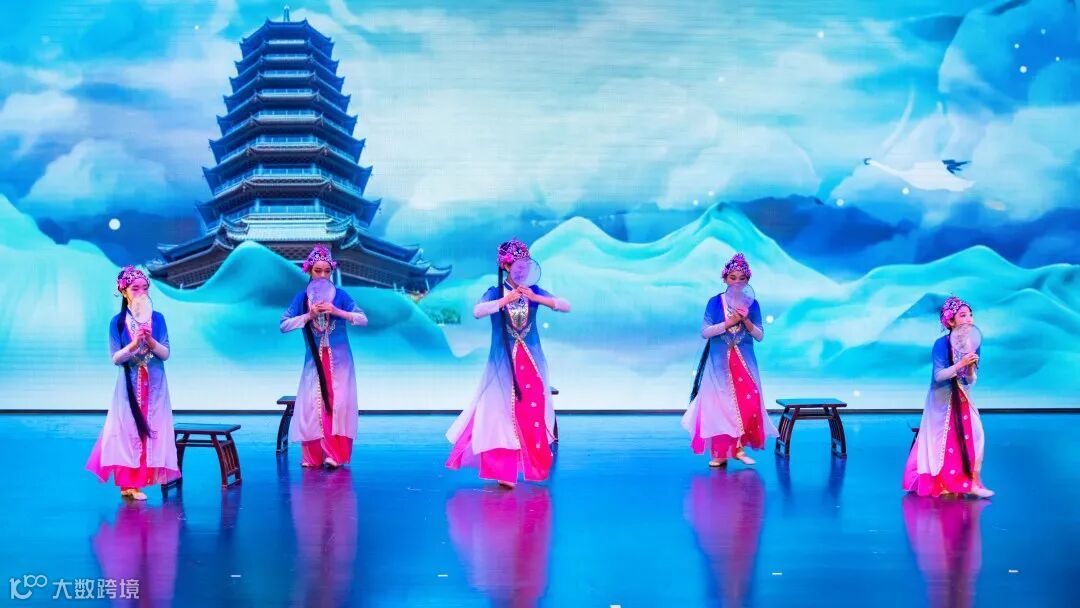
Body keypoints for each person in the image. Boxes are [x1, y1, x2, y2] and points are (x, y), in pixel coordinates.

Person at [446, 239, 570, 488]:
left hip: (531, 362)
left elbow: (565, 306)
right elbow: (478, 311)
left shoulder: (534, 291)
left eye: (526, 266)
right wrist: (506, 299)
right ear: (506, 267)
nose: (523, 270)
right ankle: (504, 470)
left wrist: (536, 297)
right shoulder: (496, 292)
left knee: (532, 410)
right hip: (503, 363)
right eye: (518, 266)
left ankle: (532, 464)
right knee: (499, 413)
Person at [86, 266, 180, 500]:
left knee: (152, 428)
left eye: (144, 288)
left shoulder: (158, 319)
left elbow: (165, 353)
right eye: (135, 288)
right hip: (129, 385)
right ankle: (128, 485)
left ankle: (142, 481)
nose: (141, 293)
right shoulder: (117, 322)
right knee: (128, 431)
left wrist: (150, 341)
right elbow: (116, 358)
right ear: (123, 291)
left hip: (155, 384)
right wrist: (133, 345)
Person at [682, 253, 777, 467]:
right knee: (719, 406)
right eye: (732, 277)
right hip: (719, 364)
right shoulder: (715, 302)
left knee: (749, 402)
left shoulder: (753, 304)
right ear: (725, 279)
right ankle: (720, 453)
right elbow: (705, 332)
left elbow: (759, 335)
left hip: (744, 363)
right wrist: (729, 322)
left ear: (747, 281)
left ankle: (739, 448)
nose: (737, 282)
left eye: (742, 278)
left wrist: (746, 321)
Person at [280, 245, 368, 468]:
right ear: (309, 271)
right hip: (314, 361)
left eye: (326, 271)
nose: (322, 275)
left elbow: (362, 319)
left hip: (340, 361)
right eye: (317, 270)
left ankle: (334, 454)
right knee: (313, 404)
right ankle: (313, 455)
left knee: (338, 403)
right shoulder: (302, 299)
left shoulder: (340, 296)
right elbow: (284, 325)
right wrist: (308, 315)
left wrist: (338, 312)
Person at [903, 296, 993, 498]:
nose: (969, 319)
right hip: (941, 398)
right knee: (942, 441)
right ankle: (944, 483)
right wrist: (960, 364)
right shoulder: (941, 344)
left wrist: (970, 369)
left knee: (975, 434)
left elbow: (969, 381)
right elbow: (939, 375)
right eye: (963, 315)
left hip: (961, 396)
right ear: (951, 321)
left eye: (970, 315)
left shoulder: (973, 342)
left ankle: (971, 481)